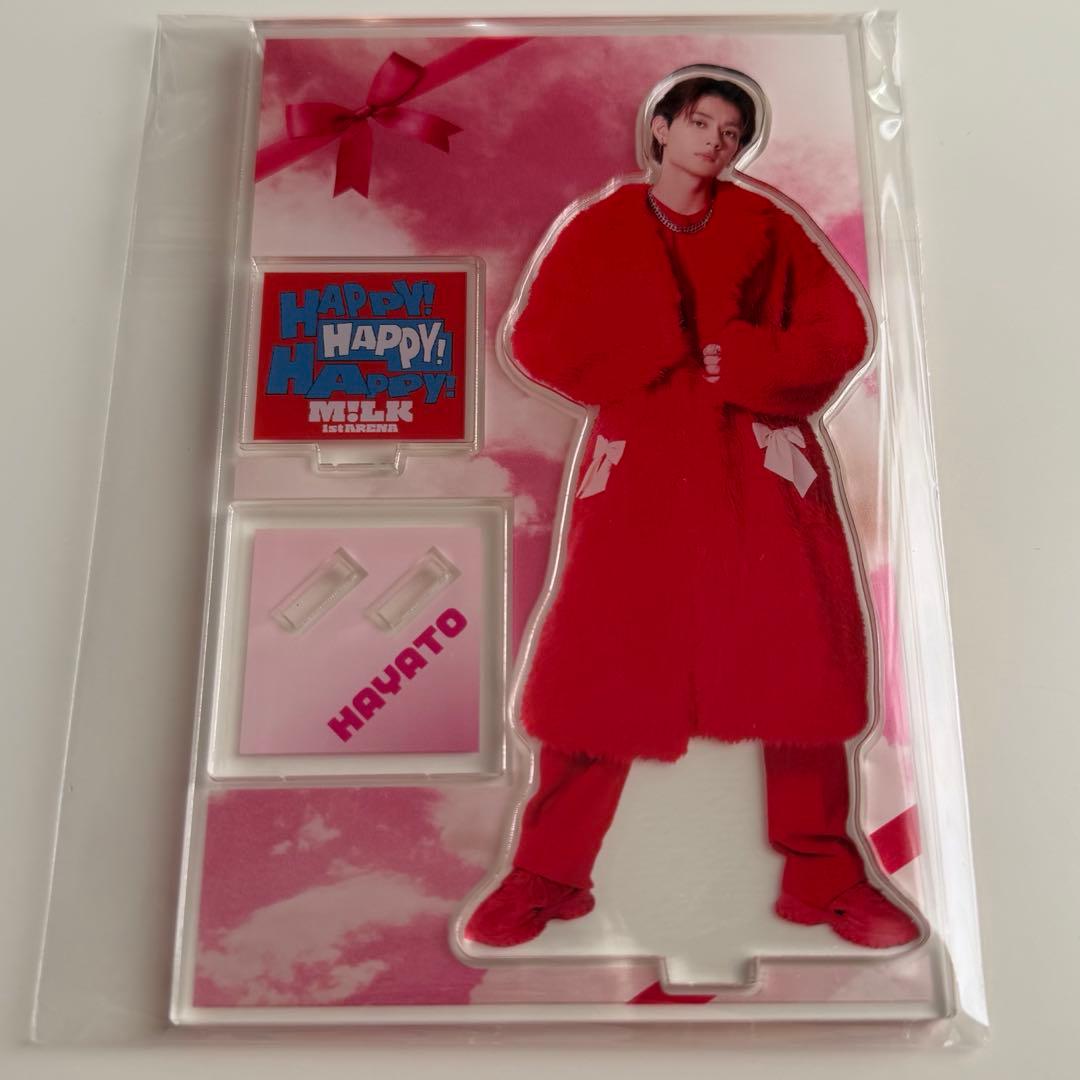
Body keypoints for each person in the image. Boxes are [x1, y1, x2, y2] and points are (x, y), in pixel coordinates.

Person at [465, 72, 921, 950]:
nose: (716, 140)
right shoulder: (598, 228)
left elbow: (841, 333)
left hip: (760, 461)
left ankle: (825, 877)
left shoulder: (769, 227)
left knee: (800, 664)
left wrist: (751, 361)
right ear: (662, 128)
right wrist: (639, 349)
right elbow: (536, 339)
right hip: (641, 466)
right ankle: (546, 873)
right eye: (701, 122)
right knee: (602, 662)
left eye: (732, 130)